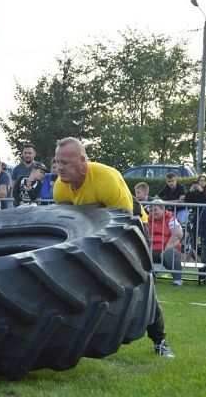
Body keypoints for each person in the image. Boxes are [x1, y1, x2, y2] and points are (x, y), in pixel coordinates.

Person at [52, 137, 174, 358]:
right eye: (57, 162)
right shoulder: (60, 187)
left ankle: (160, 340)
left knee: (142, 285)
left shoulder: (105, 178)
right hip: (91, 235)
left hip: (132, 228)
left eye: (65, 162)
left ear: (82, 161)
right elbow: (67, 225)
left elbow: (125, 224)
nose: (59, 168)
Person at [148, 201, 184, 287]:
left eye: (155, 210)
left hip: (167, 249)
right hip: (151, 249)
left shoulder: (171, 219)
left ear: (163, 209)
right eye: (151, 210)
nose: (153, 212)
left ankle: (177, 280)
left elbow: (178, 234)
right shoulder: (147, 220)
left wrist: (166, 250)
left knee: (169, 253)